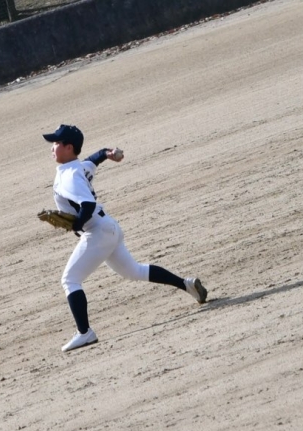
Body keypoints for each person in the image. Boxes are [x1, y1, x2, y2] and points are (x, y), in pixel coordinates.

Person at [42, 124, 208, 352]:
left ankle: (85, 332)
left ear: (69, 147)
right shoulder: (78, 167)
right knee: (134, 271)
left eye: (56, 143)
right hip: (109, 228)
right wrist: (108, 153)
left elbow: (87, 204)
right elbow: (94, 159)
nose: (52, 147)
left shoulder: (69, 177)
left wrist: (76, 225)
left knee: (70, 280)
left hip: (97, 232)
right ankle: (186, 285)